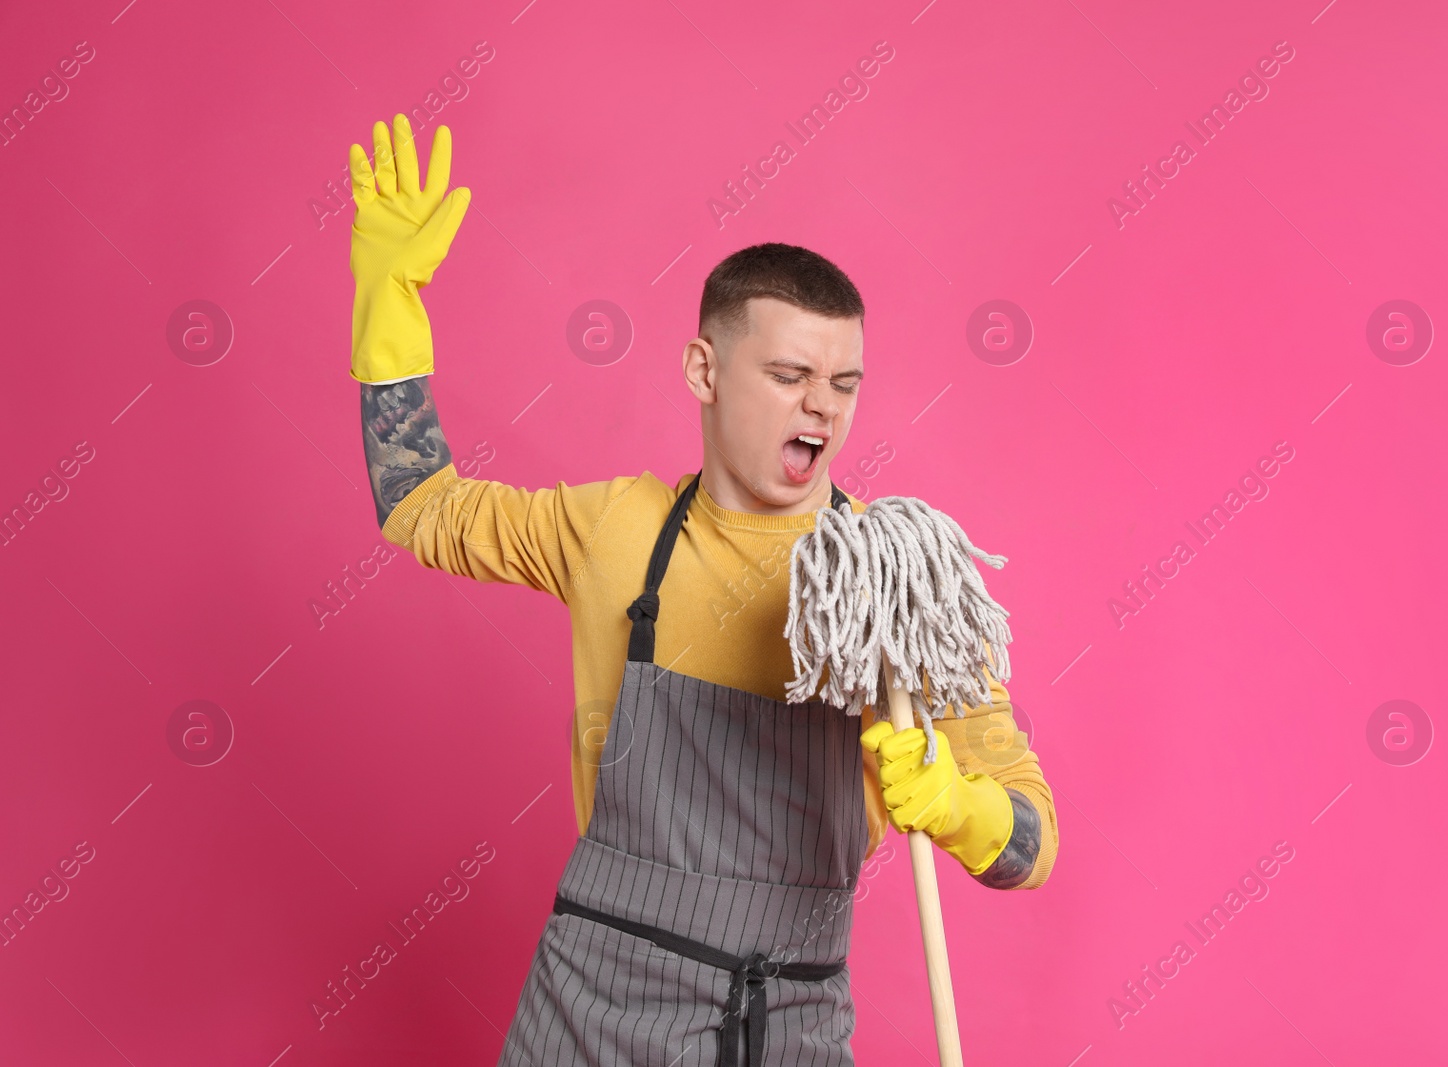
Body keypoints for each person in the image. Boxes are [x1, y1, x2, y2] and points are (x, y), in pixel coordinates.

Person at [347, 113, 1059, 1066]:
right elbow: (422, 505)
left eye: (844, 383)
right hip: (590, 1012)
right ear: (704, 371)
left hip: (788, 1027)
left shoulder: (896, 580)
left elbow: (1032, 845)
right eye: (790, 373)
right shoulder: (615, 530)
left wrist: (959, 805)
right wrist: (388, 301)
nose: (823, 406)